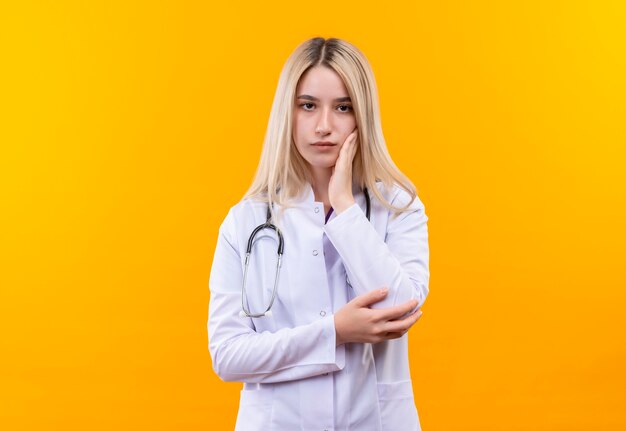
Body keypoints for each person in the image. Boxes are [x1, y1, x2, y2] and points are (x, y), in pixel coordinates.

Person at [208, 37, 430, 431]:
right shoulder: (245, 222)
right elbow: (228, 355)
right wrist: (335, 333)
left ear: (362, 117)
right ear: (287, 114)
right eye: (308, 105)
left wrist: (345, 207)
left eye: (342, 107)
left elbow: (400, 310)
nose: (324, 125)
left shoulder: (398, 207)